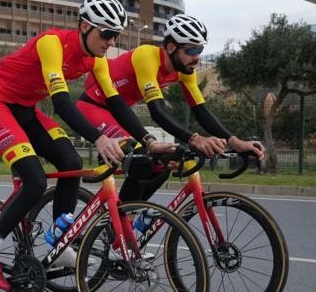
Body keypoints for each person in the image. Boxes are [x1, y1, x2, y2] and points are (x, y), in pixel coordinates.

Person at [0, 0, 174, 291]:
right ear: (84, 27)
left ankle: (60, 239)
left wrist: (147, 141)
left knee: (72, 162)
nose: (110, 41)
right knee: (35, 180)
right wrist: (99, 138)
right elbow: (62, 104)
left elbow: (117, 104)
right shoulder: (52, 44)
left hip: (27, 110)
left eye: (115, 35)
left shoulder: (97, 60)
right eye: (106, 33)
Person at [77, 13, 265, 202]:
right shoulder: (146, 56)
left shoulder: (185, 71)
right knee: (142, 159)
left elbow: (201, 111)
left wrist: (236, 142)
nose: (197, 58)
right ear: (171, 47)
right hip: (93, 107)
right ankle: (123, 216)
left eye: (200, 50)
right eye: (191, 51)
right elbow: (157, 111)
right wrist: (195, 139)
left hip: (120, 113)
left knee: (165, 160)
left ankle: (130, 212)